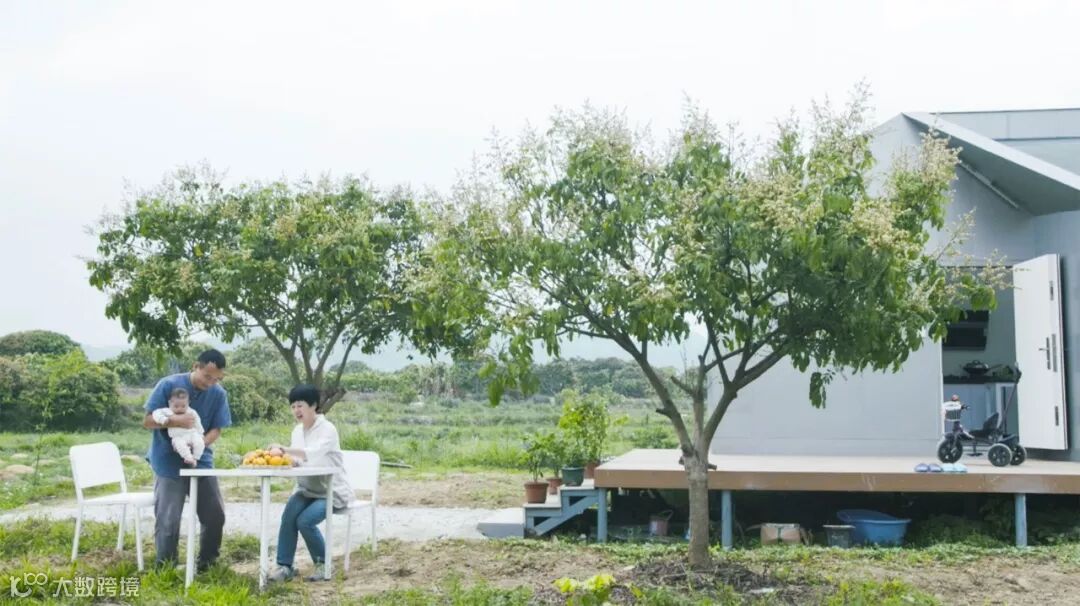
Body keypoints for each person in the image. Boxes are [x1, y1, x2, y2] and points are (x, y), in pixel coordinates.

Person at [143, 349, 232, 571]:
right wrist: (175, 421)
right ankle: (166, 568)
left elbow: (216, 429)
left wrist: (199, 443)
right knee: (169, 518)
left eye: (216, 379)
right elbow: (147, 421)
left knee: (215, 515)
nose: (210, 382)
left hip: (201, 460)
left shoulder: (218, 394)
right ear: (196, 366)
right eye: (207, 376)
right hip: (168, 461)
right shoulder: (168, 384)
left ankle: (207, 564)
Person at [267, 384, 352, 582]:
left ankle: (324, 565)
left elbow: (313, 453)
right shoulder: (297, 431)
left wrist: (285, 449)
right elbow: (298, 459)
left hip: (329, 490)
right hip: (306, 489)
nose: (296, 410)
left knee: (305, 521)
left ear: (313, 405)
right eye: (293, 406)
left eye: (300, 405)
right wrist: (284, 460)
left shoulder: (327, 429)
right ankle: (284, 566)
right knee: (288, 517)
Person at [151, 387, 205, 466]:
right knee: (180, 445)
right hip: (178, 436)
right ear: (170, 403)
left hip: (192, 434)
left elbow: (197, 422)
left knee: (199, 442)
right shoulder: (167, 411)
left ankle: (196, 457)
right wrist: (162, 419)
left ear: (188, 403)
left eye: (183, 406)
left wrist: (200, 433)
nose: (179, 409)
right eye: (176, 406)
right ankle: (188, 458)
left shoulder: (191, 411)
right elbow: (156, 413)